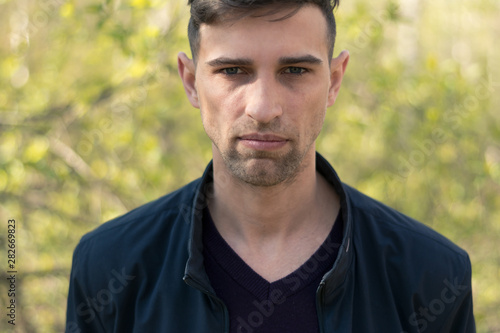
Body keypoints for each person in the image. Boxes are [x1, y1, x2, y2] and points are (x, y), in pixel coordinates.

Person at [65, 0, 475, 332]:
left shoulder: (430, 274)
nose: (263, 108)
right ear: (190, 81)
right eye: (233, 71)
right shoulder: (110, 267)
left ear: (334, 81)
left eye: (295, 70)